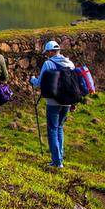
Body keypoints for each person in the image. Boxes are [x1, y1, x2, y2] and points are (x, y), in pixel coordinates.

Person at [30, 40, 75, 168]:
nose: (46, 55)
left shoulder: (48, 64)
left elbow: (39, 83)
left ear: (50, 52)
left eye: (47, 52)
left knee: (52, 129)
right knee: (60, 128)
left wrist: (32, 79)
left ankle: (57, 162)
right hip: (67, 101)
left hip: (53, 102)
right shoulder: (70, 63)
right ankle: (59, 157)